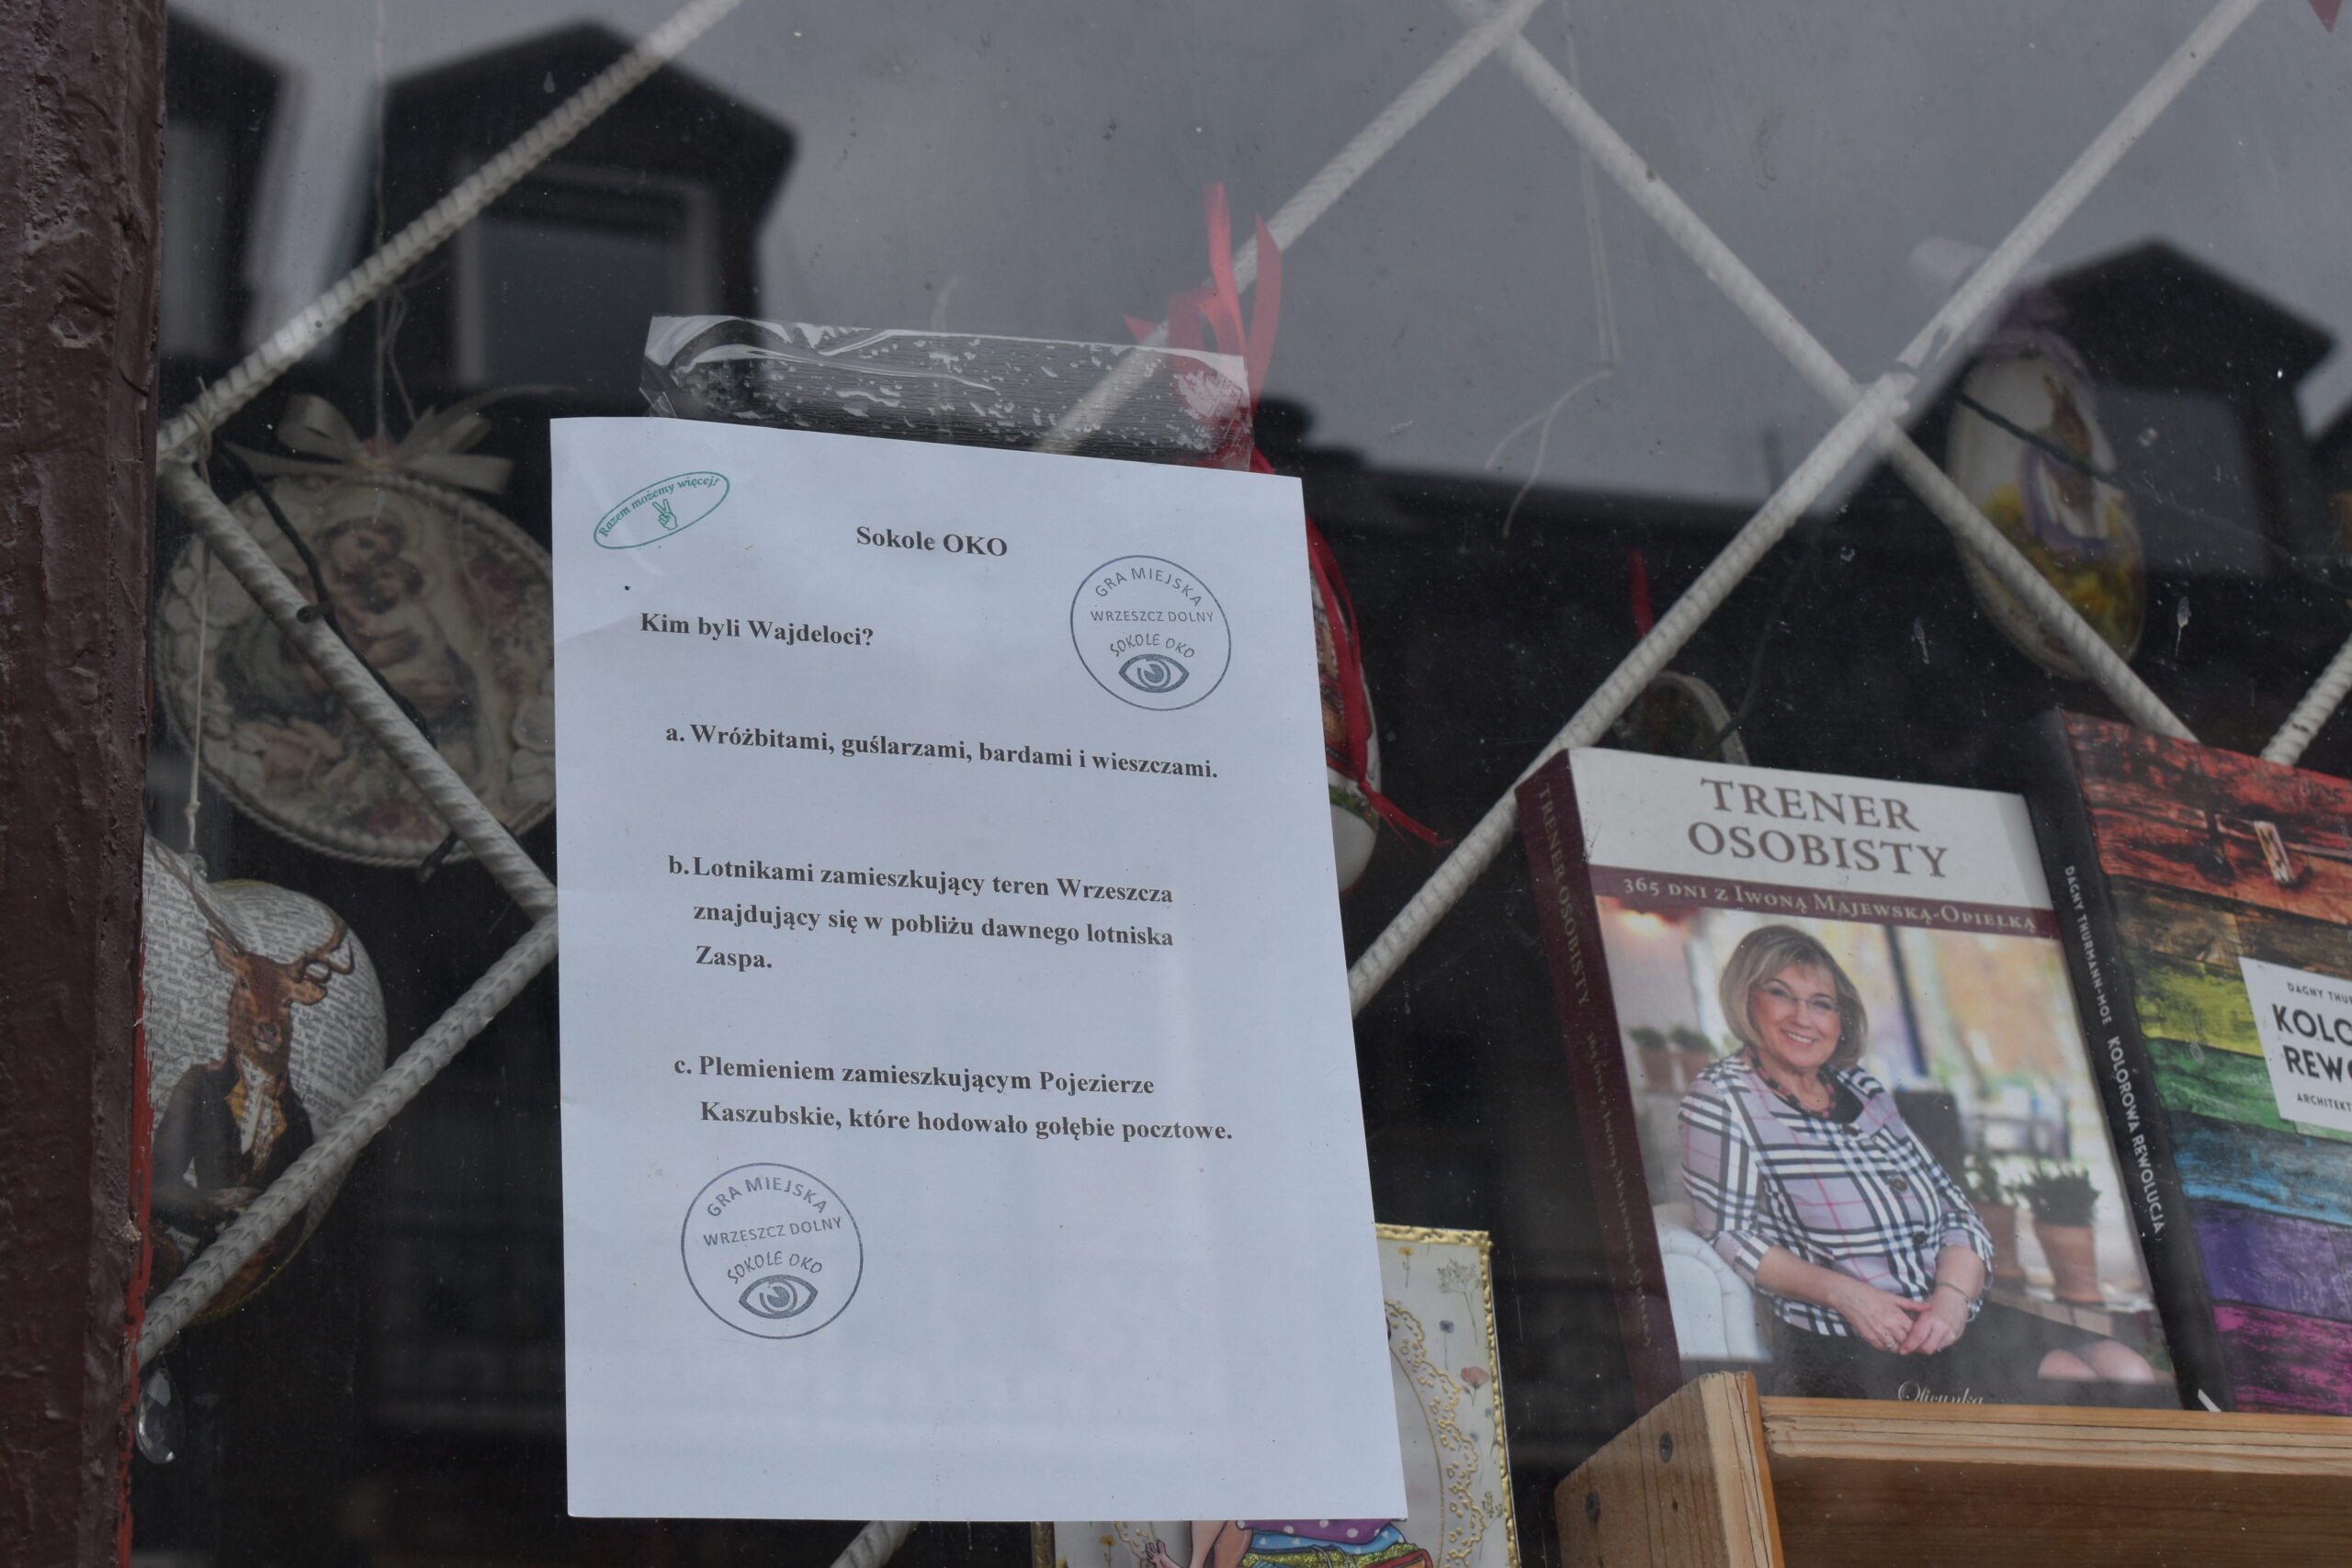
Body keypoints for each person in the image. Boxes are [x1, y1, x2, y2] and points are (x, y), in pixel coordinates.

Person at [1679, 924, 2158, 1400]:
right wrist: (1848, 1294)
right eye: (1781, 994)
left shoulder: (1860, 1088)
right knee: (2065, 1378)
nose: (1803, 1017)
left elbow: (1956, 1212)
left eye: (1821, 1003)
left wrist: (1952, 1298)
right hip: (1852, 1340)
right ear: (1746, 998)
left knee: (2128, 1368)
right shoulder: (1723, 1096)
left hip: (1943, 1320)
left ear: (1841, 1017)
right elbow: (1729, 1233)